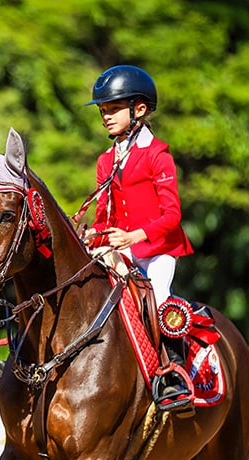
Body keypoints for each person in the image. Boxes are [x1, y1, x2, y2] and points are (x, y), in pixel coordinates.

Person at [81, 65, 196, 415]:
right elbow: (104, 215)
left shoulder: (157, 154)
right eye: (103, 111)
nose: (106, 117)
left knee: (159, 301)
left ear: (139, 109)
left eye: (112, 109)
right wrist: (91, 233)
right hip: (121, 249)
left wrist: (134, 236)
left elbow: (172, 216)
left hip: (158, 250)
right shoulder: (106, 160)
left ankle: (173, 374)